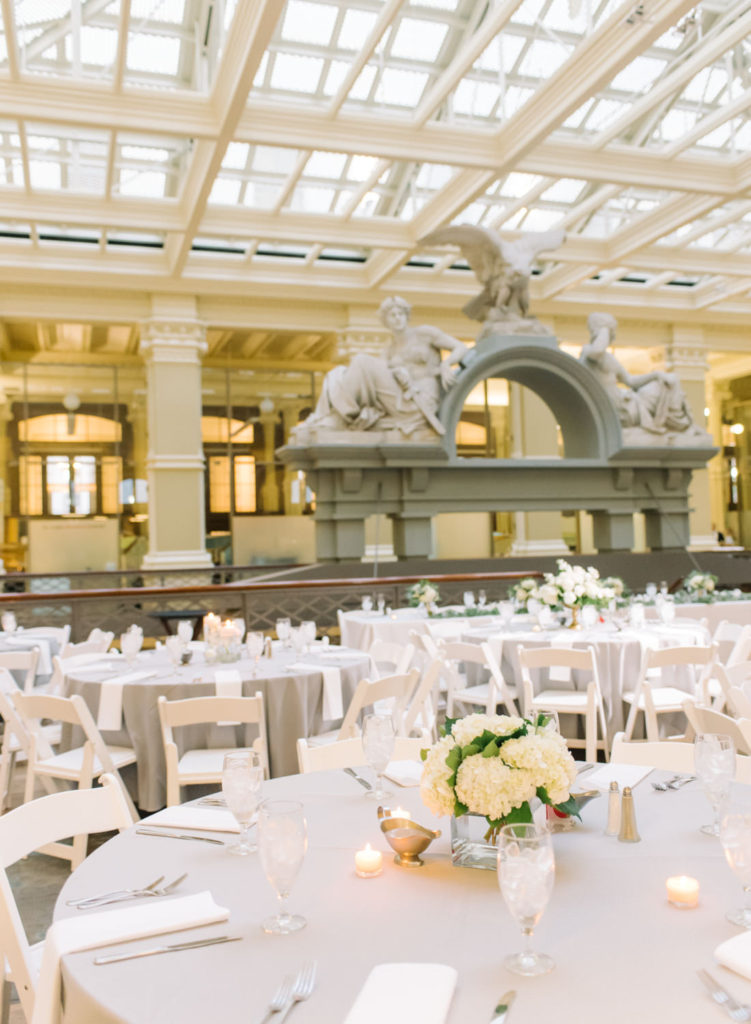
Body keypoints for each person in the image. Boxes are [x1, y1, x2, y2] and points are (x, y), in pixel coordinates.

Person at [297, 296, 468, 439]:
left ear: (407, 316)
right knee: (336, 373)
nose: (397, 317)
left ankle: (338, 416)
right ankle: (331, 415)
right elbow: (378, 382)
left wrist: (447, 364)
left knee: (361, 361)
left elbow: (461, 348)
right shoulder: (388, 351)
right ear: (386, 321)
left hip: (421, 401)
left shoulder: (424, 333)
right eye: (392, 315)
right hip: (400, 399)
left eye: (400, 313)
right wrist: (396, 372)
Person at [579, 312, 696, 434]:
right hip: (620, 409)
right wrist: (603, 330)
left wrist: (656, 374)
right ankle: (681, 424)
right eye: (610, 330)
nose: (612, 334)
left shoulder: (608, 358)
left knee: (670, 380)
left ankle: (681, 425)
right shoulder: (589, 352)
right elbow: (596, 351)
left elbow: (631, 381)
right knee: (670, 383)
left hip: (628, 403)